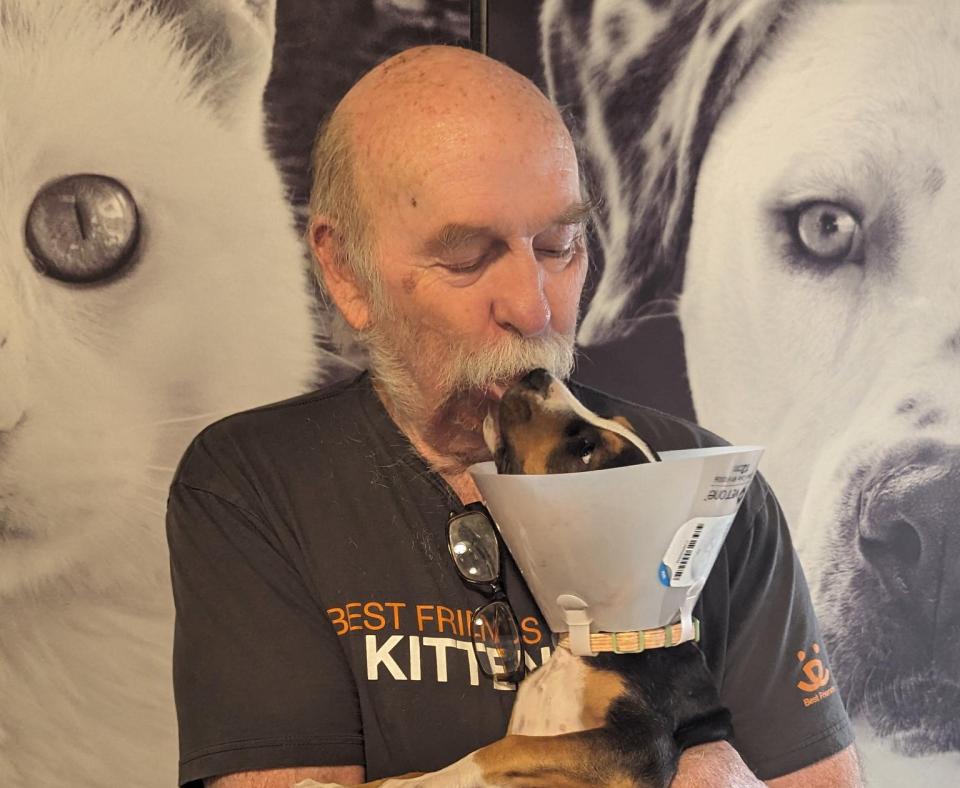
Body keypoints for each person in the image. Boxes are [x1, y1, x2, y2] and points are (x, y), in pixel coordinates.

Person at [166, 45, 860, 788]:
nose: (534, 308)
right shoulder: (253, 486)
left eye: (560, 246)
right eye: (467, 257)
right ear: (345, 270)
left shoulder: (708, 494)